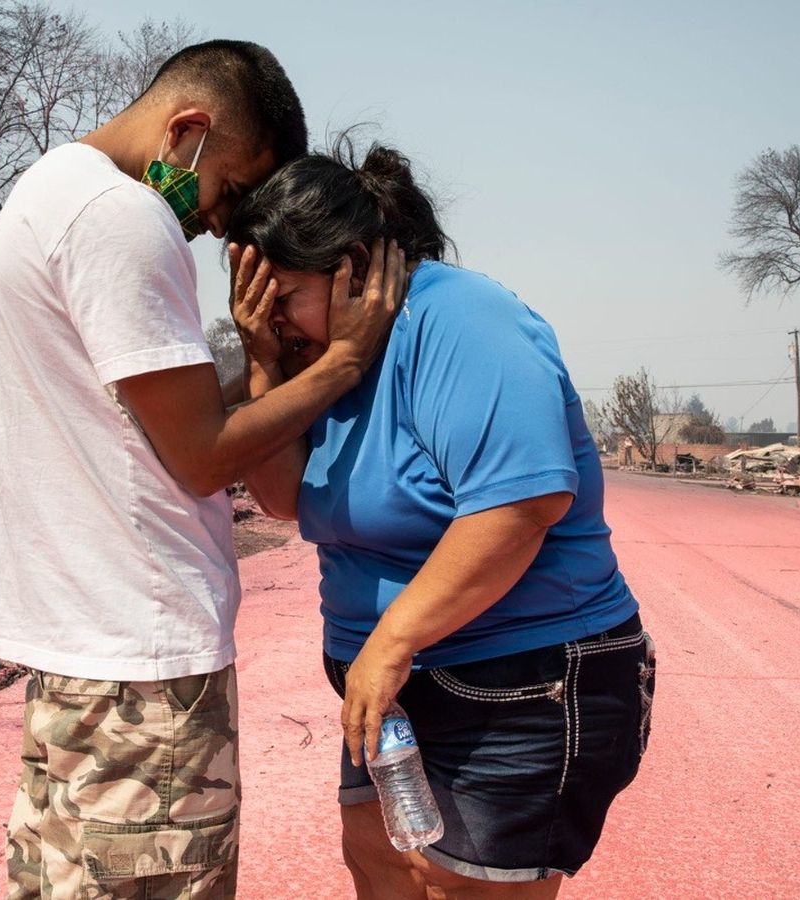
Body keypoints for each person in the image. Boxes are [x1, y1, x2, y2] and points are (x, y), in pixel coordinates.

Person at [0, 42, 403, 898]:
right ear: (188, 130)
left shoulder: (48, 191)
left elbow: (150, 421)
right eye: (232, 190)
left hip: (81, 653)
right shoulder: (121, 217)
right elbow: (204, 456)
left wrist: (261, 361)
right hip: (144, 662)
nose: (218, 224)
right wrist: (344, 361)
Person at [227, 140, 656, 898]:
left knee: (458, 887)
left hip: (522, 674)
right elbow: (288, 498)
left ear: (352, 266)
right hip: (392, 685)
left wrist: (392, 641)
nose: (270, 316)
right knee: (380, 862)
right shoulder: (329, 358)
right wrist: (264, 360)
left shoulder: (462, 318)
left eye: (282, 294)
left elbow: (518, 506)